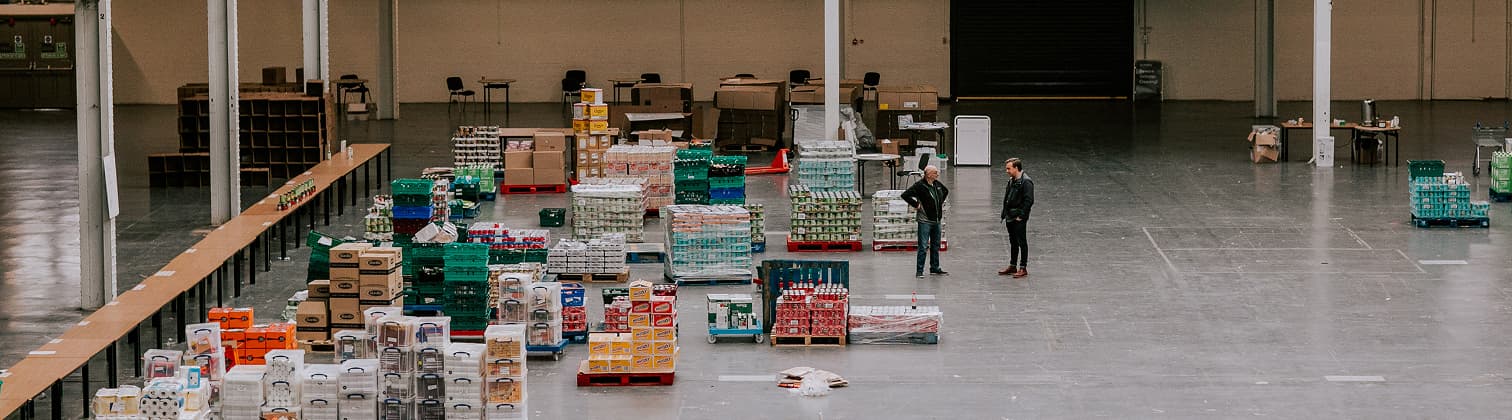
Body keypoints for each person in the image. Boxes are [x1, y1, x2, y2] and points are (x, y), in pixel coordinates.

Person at [900, 165, 949, 278]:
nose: (937, 174)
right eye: (935, 173)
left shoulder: (937, 184)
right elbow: (905, 195)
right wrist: (916, 204)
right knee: (923, 246)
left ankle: (934, 268)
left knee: (935, 245)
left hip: (936, 220)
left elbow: (945, 191)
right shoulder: (920, 186)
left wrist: (939, 203)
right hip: (925, 220)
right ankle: (919, 271)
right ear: (928, 175)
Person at [999, 158, 1034, 278]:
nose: (1007, 171)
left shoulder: (1026, 182)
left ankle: (1023, 267)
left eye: (1009, 168)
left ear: (1016, 168)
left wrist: (1021, 216)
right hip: (1010, 216)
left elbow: (1029, 201)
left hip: (1018, 217)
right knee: (1013, 242)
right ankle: (1013, 265)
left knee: (1021, 242)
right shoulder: (1012, 180)